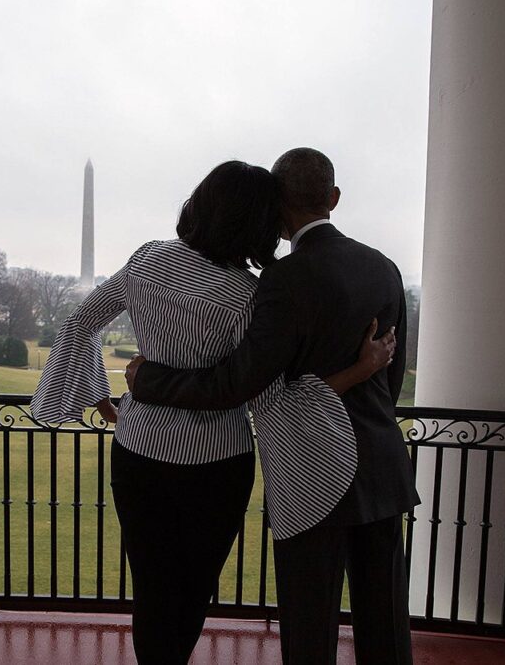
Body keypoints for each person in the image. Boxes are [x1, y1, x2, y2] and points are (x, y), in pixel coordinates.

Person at [31, 160, 394, 664]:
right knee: (194, 587)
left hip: (137, 450)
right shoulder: (250, 294)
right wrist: (360, 369)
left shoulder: (146, 260)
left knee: (152, 586)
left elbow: (78, 322)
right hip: (217, 464)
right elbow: (268, 395)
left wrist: (100, 398)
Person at [126, 148, 419, 664]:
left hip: (310, 476)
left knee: (310, 627)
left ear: (278, 207)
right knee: (387, 625)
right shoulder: (385, 269)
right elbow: (391, 378)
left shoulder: (283, 281)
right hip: (380, 467)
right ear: (333, 198)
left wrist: (146, 378)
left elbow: (235, 384)